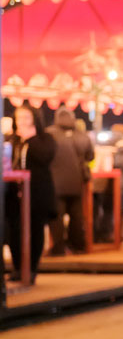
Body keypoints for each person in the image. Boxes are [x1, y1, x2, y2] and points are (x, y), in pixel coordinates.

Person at [4, 105, 57, 283]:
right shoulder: (10, 140)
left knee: (35, 230)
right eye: (19, 118)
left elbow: (45, 158)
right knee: (13, 231)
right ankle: (18, 267)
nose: (23, 122)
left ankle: (32, 268)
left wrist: (30, 140)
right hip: (13, 194)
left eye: (27, 117)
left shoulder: (44, 139)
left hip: (37, 192)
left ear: (34, 119)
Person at [45, 107, 94, 254]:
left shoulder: (49, 133)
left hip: (54, 182)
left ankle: (58, 248)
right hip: (77, 181)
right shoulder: (82, 135)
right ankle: (78, 246)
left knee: (57, 216)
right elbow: (90, 156)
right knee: (77, 216)